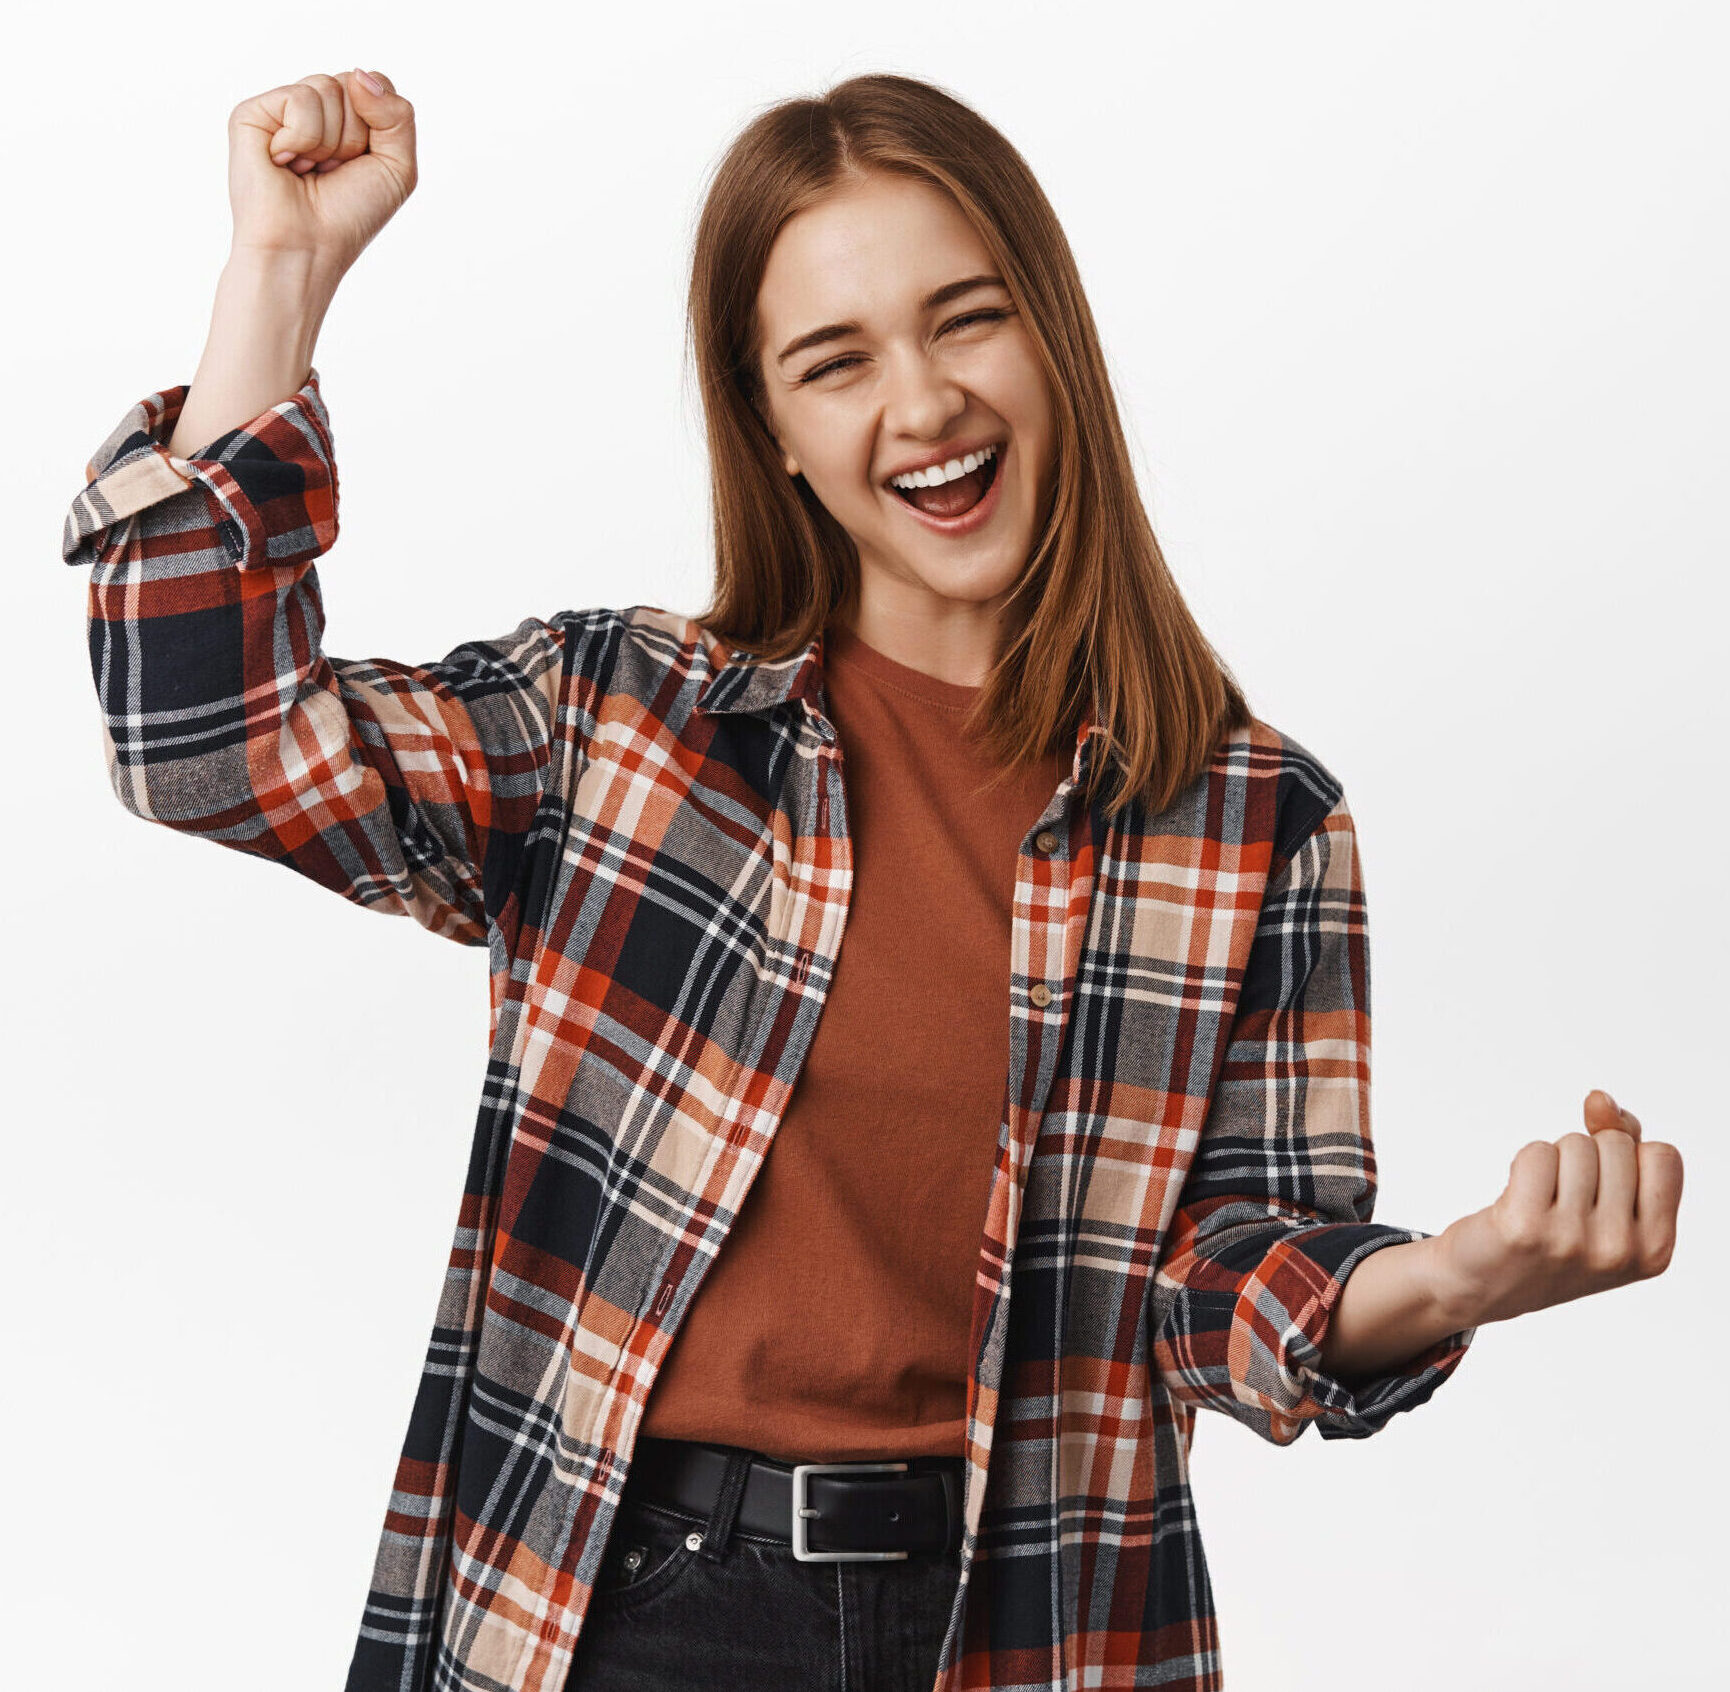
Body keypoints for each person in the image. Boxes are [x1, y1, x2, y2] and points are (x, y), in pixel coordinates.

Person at [60, 67, 1683, 1692]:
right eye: (835, 362)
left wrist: (1444, 1280)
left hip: (1031, 1621)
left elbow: (1218, 1277)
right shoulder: (619, 728)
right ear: (769, 429)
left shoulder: (1249, 821)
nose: (920, 406)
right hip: (629, 1616)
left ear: (1050, 337)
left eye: (964, 320)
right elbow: (207, 743)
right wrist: (281, 270)